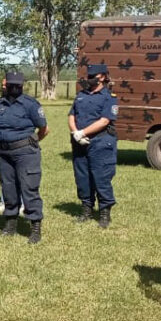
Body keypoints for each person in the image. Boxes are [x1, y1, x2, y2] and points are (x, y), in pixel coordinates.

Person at [0, 72, 48, 244]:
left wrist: (30, 142)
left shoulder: (30, 104)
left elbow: (43, 129)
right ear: (6, 85)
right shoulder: (0, 103)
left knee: (29, 188)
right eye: (11, 85)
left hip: (25, 153)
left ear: (22, 85)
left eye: (17, 85)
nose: (14, 88)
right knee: (8, 188)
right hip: (4, 153)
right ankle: (10, 223)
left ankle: (35, 226)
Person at [68, 63, 118, 228]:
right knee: (82, 177)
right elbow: (71, 115)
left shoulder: (109, 98)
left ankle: (104, 212)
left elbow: (104, 120)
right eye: (88, 76)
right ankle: (86, 209)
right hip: (79, 143)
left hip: (100, 142)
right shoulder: (81, 95)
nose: (89, 80)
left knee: (101, 177)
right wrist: (76, 132)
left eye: (92, 77)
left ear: (102, 77)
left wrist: (83, 133)